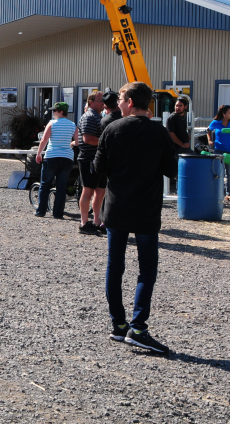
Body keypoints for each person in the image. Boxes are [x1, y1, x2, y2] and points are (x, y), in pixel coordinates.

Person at [93, 82, 177, 354]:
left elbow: (97, 170)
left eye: (119, 97)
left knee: (114, 266)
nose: (117, 101)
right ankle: (138, 327)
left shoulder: (111, 129)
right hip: (146, 209)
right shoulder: (159, 132)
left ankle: (118, 324)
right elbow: (171, 170)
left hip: (116, 208)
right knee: (147, 269)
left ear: (129, 102)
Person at [34, 102, 79, 219]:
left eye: (54, 110)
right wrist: (72, 143)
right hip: (67, 158)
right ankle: (58, 213)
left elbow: (44, 139)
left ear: (60, 112)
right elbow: (78, 141)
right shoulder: (73, 125)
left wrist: (39, 153)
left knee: (45, 184)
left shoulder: (52, 123)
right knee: (61, 187)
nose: (52, 112)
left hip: (52, 156)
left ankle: (41, 211)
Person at [77, 91, 106, 235]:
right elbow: (87, 138)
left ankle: (96, 221)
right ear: (91, 102)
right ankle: (84, 222)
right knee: (88, 190)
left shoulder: (98, 116)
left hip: (98, 158)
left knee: (100, 191)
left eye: (103, 100)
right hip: (89, 158)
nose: (103, 102)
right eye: (100, 100)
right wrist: (106, 143)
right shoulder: (89, 116)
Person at [208, 105, 230, 202]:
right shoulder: (216, 123)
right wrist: (210, 140)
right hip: (219, 150)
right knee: (217, 172)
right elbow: (208, 130)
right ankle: (216, 193)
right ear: (224, 114)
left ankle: (229, 194)